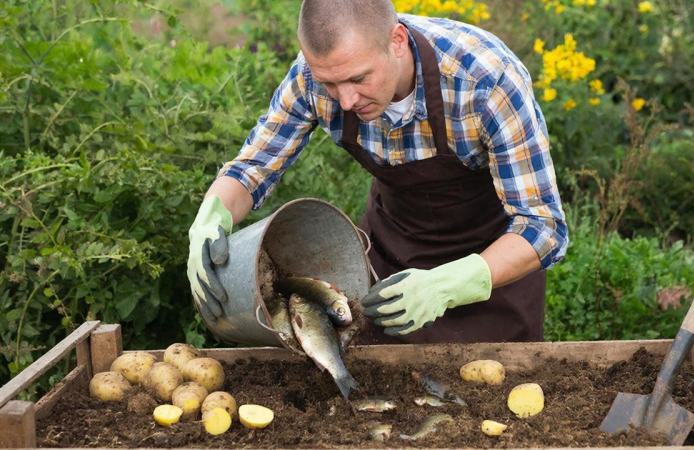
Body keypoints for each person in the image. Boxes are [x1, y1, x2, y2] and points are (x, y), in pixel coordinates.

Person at [187, 0, 568, 344]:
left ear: (397, 41)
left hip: (492, 268)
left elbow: (542, 228)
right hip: (392, 256)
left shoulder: (486, 83)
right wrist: (210, 217)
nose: (346, 100)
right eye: (330, 84)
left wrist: (448, 285)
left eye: (358, 79)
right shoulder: (314, 75)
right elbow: (254, 167)